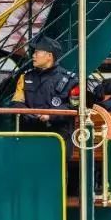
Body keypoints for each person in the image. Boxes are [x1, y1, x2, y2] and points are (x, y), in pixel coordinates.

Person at [12, 35, 77, 190]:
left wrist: (50, 115)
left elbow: (74, 107)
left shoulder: (70, 80)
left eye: (37, 52)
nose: (33, 55)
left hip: (57, 138)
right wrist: (30, 115)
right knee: (28, 179)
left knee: (55, 182)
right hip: (30, 136)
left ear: (49, 56)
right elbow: (17, 102)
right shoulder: (25, 77)